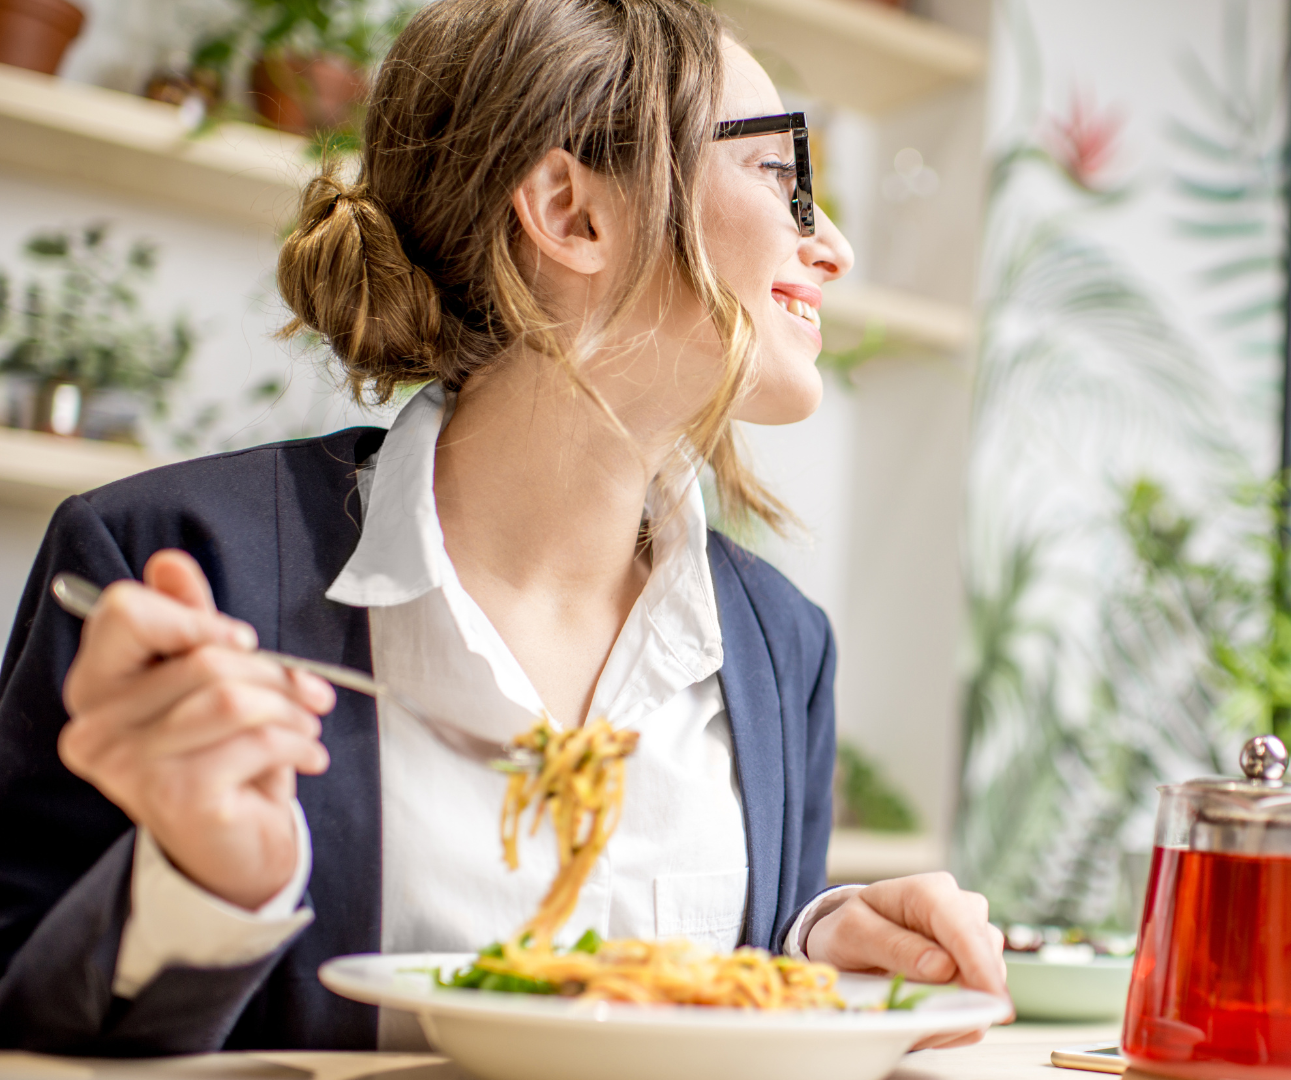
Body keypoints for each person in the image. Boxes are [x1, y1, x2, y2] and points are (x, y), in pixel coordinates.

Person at [0, 0, 1005, 1054]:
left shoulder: (780, 645)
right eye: (781, 175)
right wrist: (206, 883)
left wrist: (814, 953)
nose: (832, 246)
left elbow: (713, 1005)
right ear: (572, 212)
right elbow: (25, 1001)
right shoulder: (171, 568)